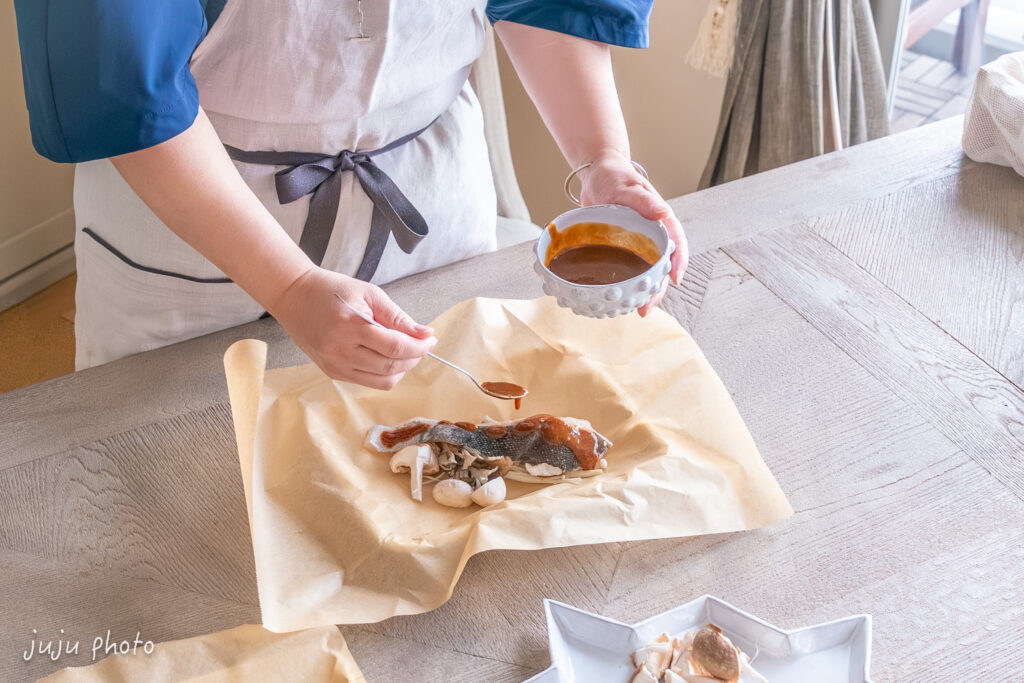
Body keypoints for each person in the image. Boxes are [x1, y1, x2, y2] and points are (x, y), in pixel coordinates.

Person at [14, 0, 689, 388]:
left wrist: (603, 161)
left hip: (427, 213)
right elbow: (122, 76)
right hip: (195, 234)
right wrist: (288, 286)